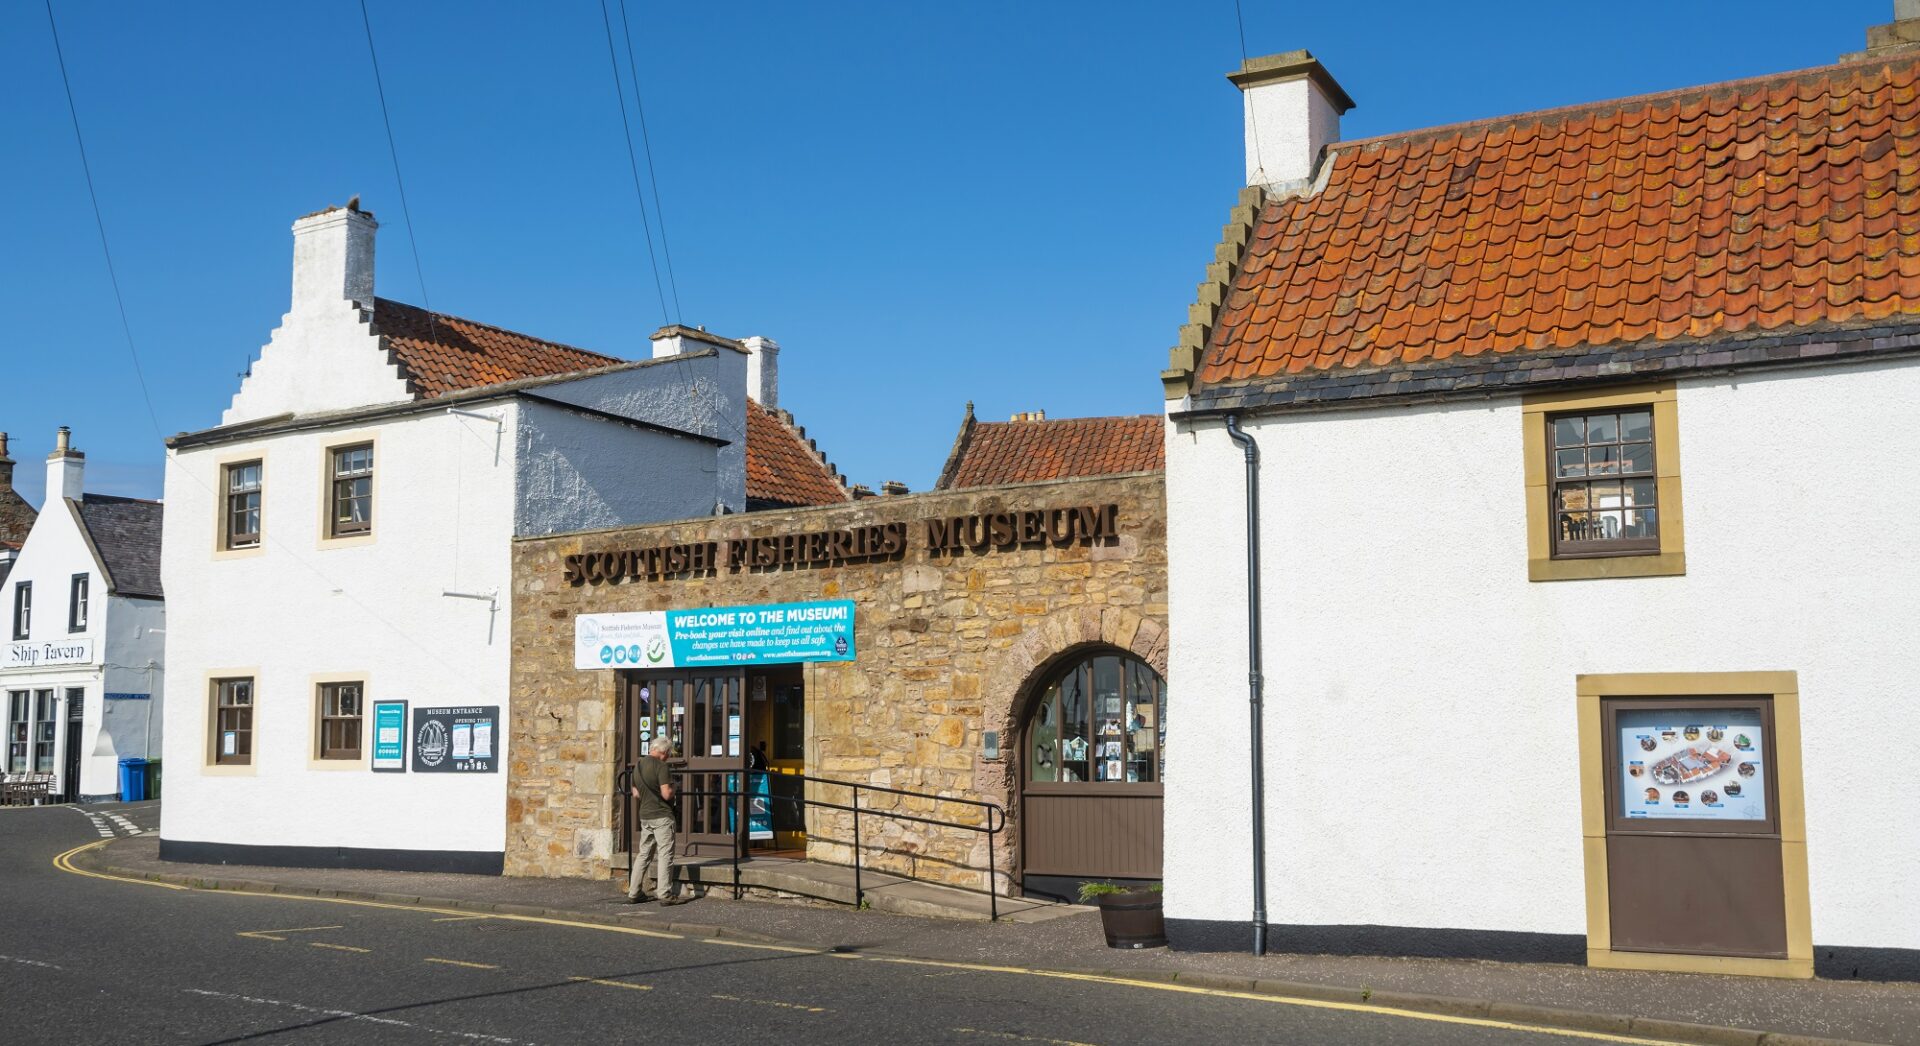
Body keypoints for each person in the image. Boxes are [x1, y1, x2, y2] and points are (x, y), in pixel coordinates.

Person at [628, 735, 687, 906]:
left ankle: (634, 892)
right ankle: (664, 894)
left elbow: (636, 793)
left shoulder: (638, 766)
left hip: (645, 816)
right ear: (665, 751)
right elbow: (666, 794)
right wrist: (674, 787)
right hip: (661, 816)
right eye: (669, 753)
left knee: (644, 854)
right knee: (665, 854)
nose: (669, 756)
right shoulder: (661, 766)